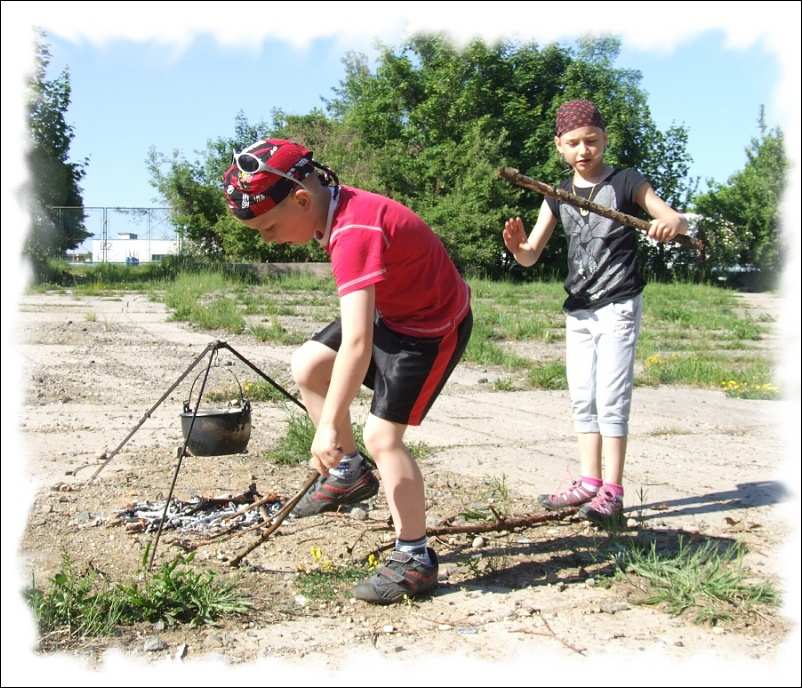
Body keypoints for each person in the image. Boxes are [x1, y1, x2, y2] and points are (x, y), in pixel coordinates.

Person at [223, 138, 472, 602]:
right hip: (393, 311)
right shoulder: (329, 208)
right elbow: (356, 334)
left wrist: (326, 430)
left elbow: (357, 344)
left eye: (269, 227)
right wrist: (333, 426)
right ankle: (350, 473)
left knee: (384, 437)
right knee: (309, 365)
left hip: (430, 327)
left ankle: (415, 557)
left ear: (301, 199)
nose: (268, 239)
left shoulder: (354, 231)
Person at [502, 100, 688, 526]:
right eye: (573, 143)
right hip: (580, 309)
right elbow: (532, 255)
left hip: (619, 302)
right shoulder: (555, 193)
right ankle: (589, 481)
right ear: (559, 147)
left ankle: (613, 491)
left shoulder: (626, 182)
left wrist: (669, 224)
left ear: (604, 140)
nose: (583, 150)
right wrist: (517, 248)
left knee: (611, 397)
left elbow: (670, 216)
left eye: (591, 141)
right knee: (583, 396)